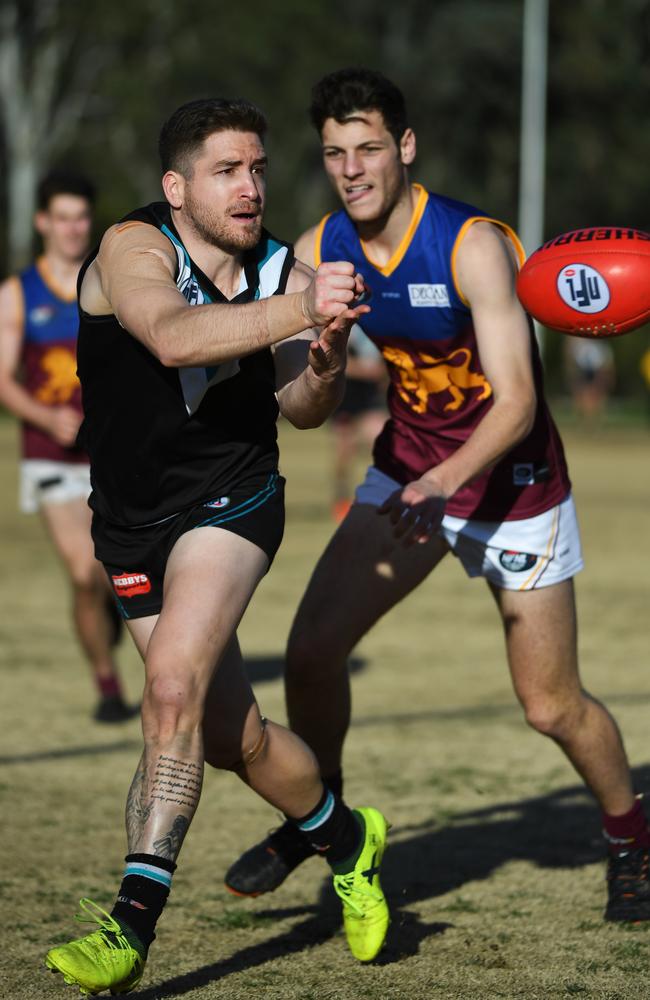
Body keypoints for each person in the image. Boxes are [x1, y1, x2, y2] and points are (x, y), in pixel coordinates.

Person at [224, 68, 650, 923]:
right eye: (335, 153)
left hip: (512, 486)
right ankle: (326, 819)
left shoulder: (471, 244)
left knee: (550, 705)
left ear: (405, 147)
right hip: (410, 469)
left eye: (370, 147)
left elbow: (522, 399)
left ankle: (631, 837)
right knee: (310, 652)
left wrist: (442, 482)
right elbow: (307, 414)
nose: (352, 168)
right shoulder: (319, 252)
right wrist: (323, 354)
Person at [44, 97, 390, 996]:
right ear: (177, 186)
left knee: (168, 692)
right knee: (233, 737)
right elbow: (167, 336)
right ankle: (349, 841)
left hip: (234, 501)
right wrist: (300, 308)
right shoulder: (133, 247)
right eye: (227, 171)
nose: (250, 188)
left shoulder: (282, 266)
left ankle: (128, 925)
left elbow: (304, 412)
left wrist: (319, 360)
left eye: (260, 170)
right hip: (129, 519)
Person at [0, 171, 136, 723]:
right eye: (62, 218)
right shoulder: (17, 294)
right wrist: (45, 416)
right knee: (85, 571)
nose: (73, 228)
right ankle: (108, 687)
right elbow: (3, 379)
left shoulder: (110, 284)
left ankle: (110, 610)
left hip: (110, 453)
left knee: (117, 569)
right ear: (42, 223)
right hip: (50, 455)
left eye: (82, 217)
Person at [330, 324, 387, 521]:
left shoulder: (379, 327)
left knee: (380, 439)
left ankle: (377, 498)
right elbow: (335, 361)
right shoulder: (344, 326)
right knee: (345, 452)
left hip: (369, 398)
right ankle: (342, 500)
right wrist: (364, 370)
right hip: (346, 398)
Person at [564, 336, 615, 426]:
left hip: (596, 369)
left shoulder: (601, 344)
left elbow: (606, 360)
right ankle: (585, 421)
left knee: (596, 396)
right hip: (583, 368)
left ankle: (593, 421)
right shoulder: (580, 341)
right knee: (583, 396)